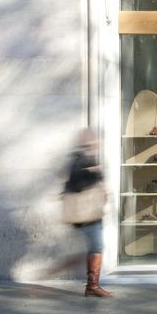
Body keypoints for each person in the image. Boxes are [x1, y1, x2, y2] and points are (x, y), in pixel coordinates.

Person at [62, 128, 113, 298]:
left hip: (91, 213)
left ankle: (92, 285)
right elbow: (77, 184)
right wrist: (93, 173)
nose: (98, 142)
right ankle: (92, 285)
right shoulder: (81, 160)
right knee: (96, 246)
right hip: (86, 214)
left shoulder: (86, 158)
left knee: (95, 247)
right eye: (95, 139)